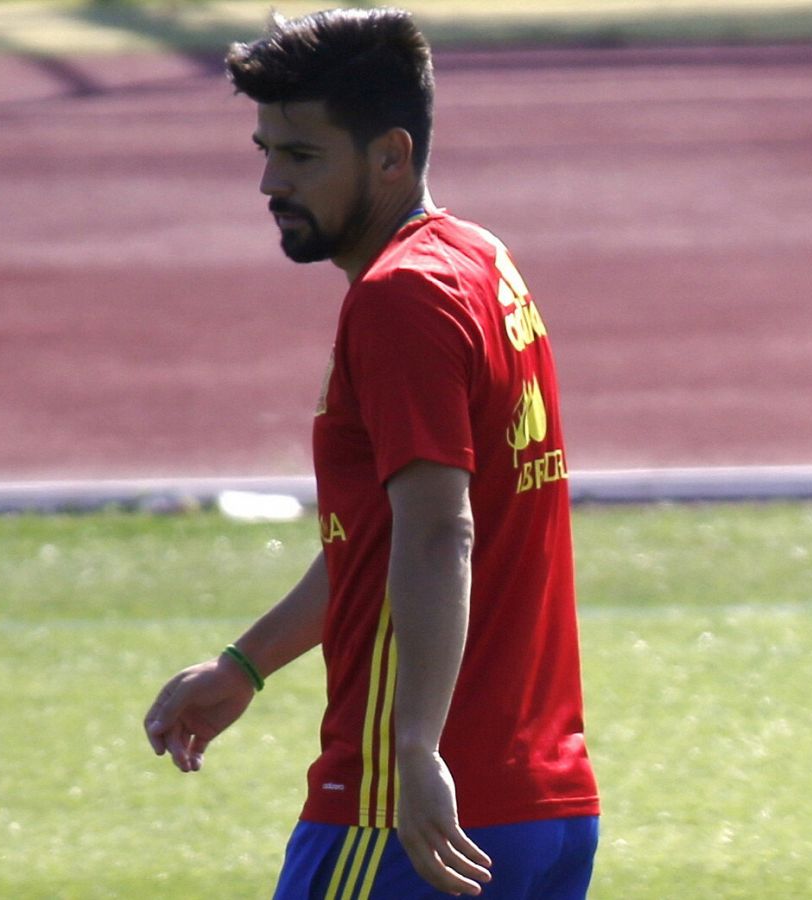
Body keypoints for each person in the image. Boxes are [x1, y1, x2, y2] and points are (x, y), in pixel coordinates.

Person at [143, 9, 599, 898]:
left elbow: (439, 535)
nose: (271, 180)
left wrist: (417, 748)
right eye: (265, 150)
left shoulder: (400, 300)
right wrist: (246, 666)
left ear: (391, 155)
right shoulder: (479, 261)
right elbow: (382, 538)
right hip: (544, 804)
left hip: (411, 815)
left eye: (302, 156)